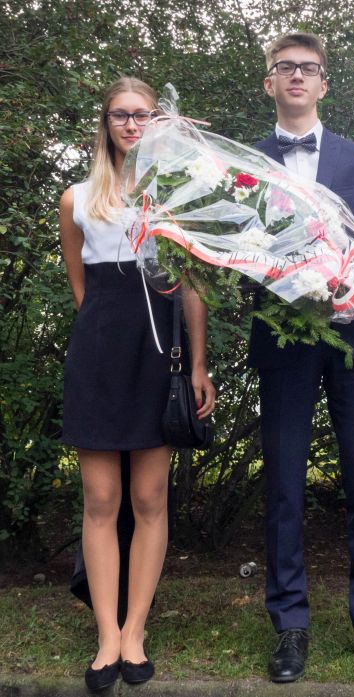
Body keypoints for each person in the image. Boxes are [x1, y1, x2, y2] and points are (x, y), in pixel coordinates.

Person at [248, 32, 354, 681]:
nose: (297, 76)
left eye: (308, 68)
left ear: (323, 83)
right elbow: (237, 251)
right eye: (285, 67)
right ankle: (290, 623)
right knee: (284, 483)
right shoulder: (247, 163)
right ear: (269, 82)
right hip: (283, 339)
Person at [59, 77, 216, 690]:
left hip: (159, 358)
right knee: (100, 501)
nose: (131, 125)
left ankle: (134, 632)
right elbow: (83, 291)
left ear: (158, 123)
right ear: (105, 123)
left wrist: (197, 364)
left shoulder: (172, 198)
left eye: (143, 115)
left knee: (150, 500)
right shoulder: (77, 200)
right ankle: (106, 636)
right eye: (121, 115)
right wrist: (104, 342)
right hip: (99, 357)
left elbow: (192, 287)